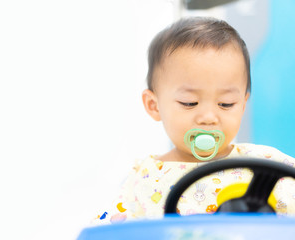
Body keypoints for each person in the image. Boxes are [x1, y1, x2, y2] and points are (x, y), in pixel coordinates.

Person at [93, 17, 295, 224]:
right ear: (154, 106)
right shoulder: (144, 177)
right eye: (189, 103)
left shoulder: (266, 164)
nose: (208, 118)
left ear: (243, 105)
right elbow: (106, 230)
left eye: (226, 104)